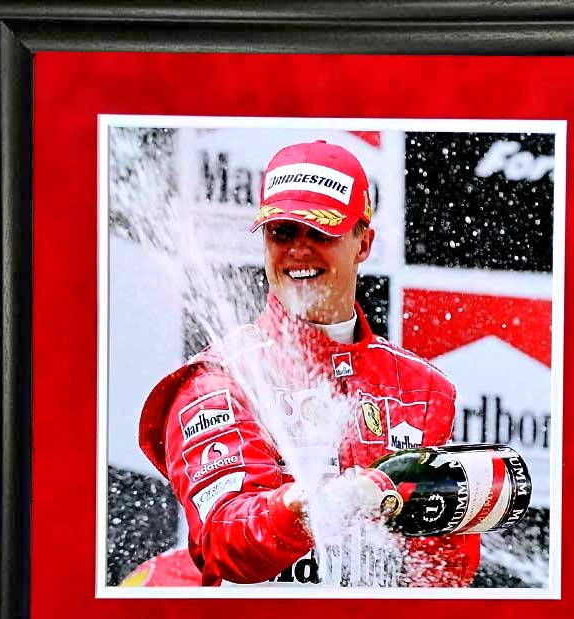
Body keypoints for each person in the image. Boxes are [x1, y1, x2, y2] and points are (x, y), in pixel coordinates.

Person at [132, 140, 480, 587]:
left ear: (363, 244)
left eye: (320, 233)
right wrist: (308, 506)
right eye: (282, 232)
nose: (299, 250)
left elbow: (444, 572)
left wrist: (446, 505)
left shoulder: (422, 390)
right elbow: (226, 545)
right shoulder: (219, 380)